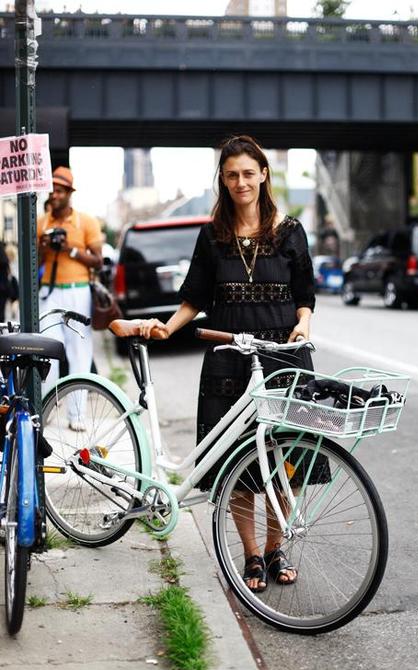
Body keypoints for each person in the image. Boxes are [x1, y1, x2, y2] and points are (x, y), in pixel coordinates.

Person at [138, 135, 316, 592]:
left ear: (263, 176)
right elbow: (194, 297)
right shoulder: (212, 236)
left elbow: (305, 295)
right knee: (238, 462)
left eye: (248, 173)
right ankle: (252, 555)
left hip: (282, 357)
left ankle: (278, 549)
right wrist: (167, 327)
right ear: (223, 179)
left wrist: (304, 325)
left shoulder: (290, 231)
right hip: (229, 360)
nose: (241, 182)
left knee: (287, 461)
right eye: (232, 174)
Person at [37, 166, 103, 430]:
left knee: (79, 354)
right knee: (46, 354)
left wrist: (71, 250)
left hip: (78, 290)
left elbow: (98, 261)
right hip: (50, 292)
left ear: (69, 193)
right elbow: (33, 261)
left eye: (60, 190)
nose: (54, 195)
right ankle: (45, 411)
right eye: (52, 190)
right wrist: (43, 246)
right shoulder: (41, 222)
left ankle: (76, 416)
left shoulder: (85, 221)